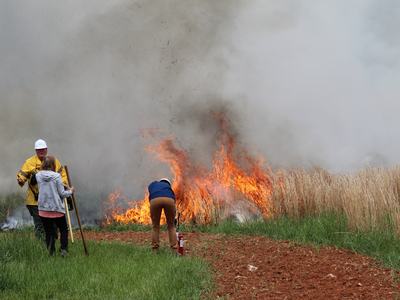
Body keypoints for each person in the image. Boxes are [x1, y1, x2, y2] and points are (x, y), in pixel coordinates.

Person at [16, 139, 68, 240]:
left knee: (53, 225)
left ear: (46, 149)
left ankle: (51, 245)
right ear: (35, 150)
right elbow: (21, 175)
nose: (41, 151)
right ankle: (41, 246)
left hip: (52, 199)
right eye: (39, 150)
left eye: (43, 149)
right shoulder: (29, 162)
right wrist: (21, 179)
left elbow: (63, 175)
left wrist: (64, 185)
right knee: (39, 225)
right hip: (35, 200)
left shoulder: (54, 161)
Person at [36, 156, 74, 256]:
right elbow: (62, 193)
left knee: (48, 231)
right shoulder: (57, 176)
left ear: (43, 164)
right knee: (63, 229)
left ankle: (50, 252)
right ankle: (63, 250)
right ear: (53, 165)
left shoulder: (38, 175)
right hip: (57, 209)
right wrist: (70, 191)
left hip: (43, 210)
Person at [148, 178, 177, 251]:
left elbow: (150, 189)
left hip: (155, 200)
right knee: (171, 226)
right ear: (168, 184)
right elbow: (174, 200)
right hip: (169, 200)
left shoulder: (154, 183)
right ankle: (173, 249)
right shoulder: (169, 188)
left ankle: (155, 249)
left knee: (155, 226)